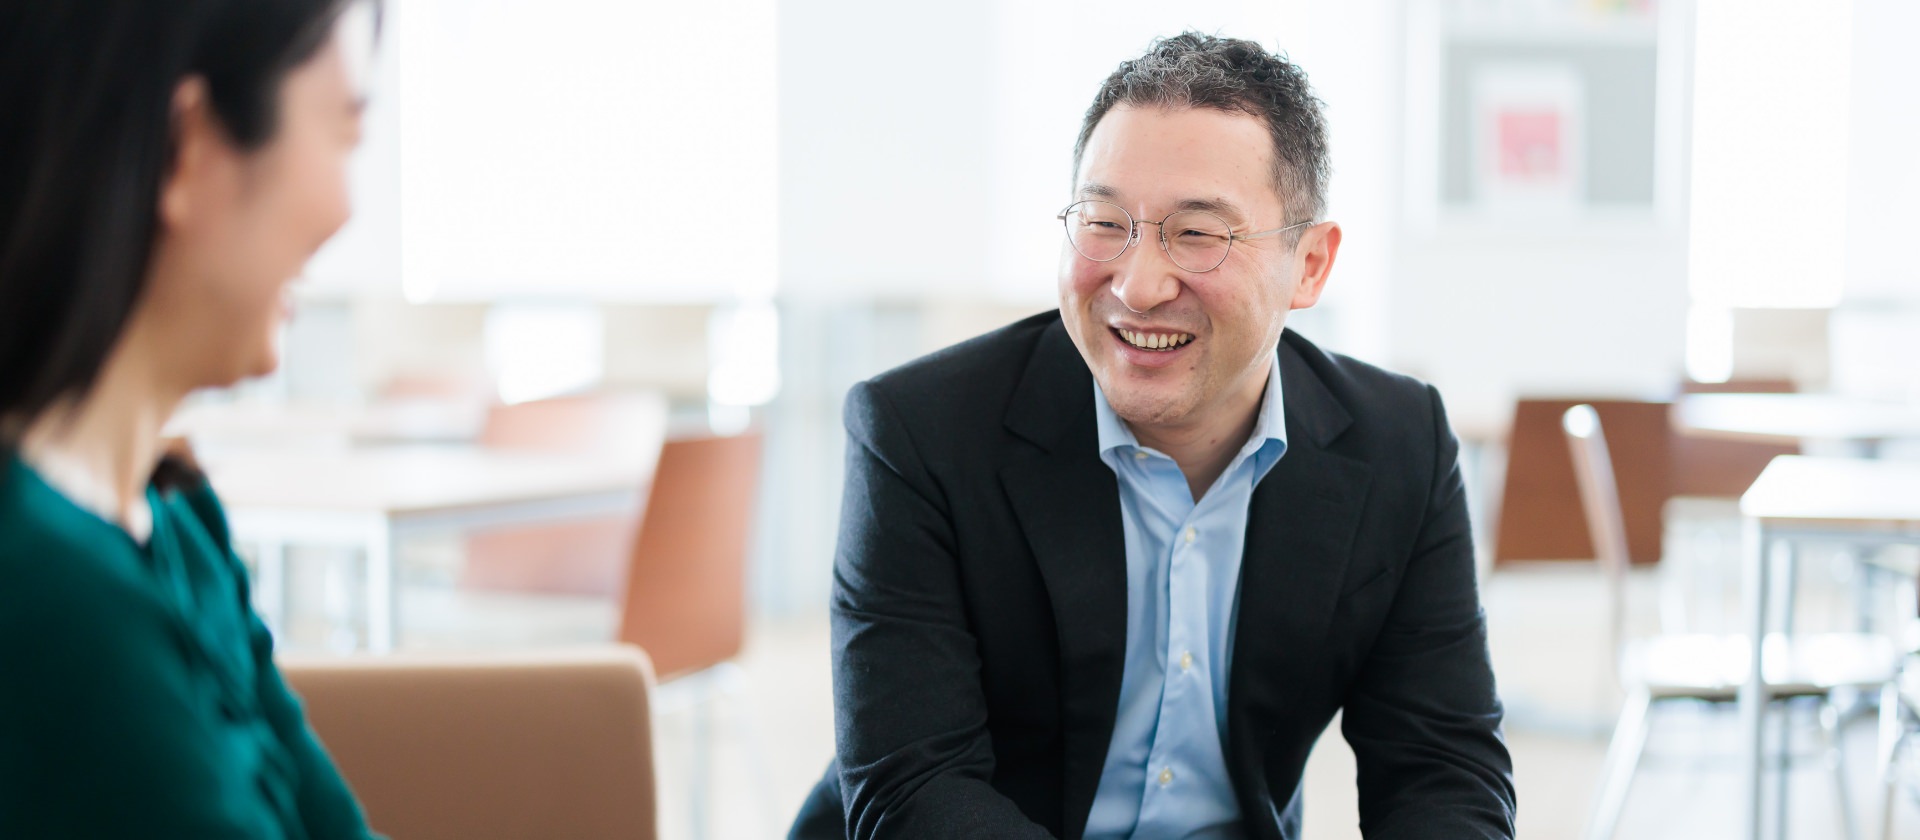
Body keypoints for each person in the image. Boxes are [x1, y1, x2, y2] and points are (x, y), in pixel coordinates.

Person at [790, 33, 1516, 840]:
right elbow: (916, 792)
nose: (1137, 286)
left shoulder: (1400, 444)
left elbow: (1442, 770)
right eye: (1105, 222)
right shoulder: (919, 432)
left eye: (1198, 233)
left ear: (1310, 264)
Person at [0, 1, 383, 836]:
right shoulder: (46, 596)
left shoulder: (180, 529)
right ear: (189, 146)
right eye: (344, 131)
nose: (348, 207)